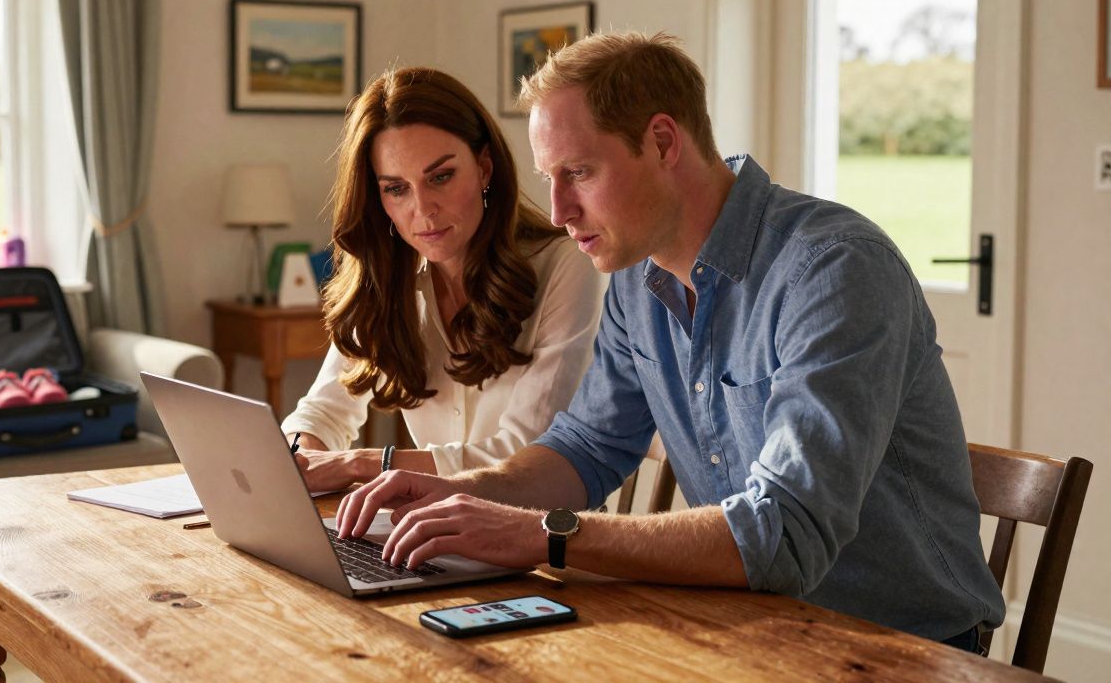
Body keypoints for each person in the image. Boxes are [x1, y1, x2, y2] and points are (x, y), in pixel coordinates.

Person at [335, 32, 1005, 651]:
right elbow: (588, 450)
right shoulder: (638, 276)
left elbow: (786, 535)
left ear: (662, 142)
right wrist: (461, 495)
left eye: (580, 173)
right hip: (745, 624)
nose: (560, 211)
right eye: (550, 179)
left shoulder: (833, 269)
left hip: (900, 648)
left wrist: (541, 534)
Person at [281, 67, 604, 493]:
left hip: (540, 537)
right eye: (396, 188)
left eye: (441, 177)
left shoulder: (566, 265)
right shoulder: (386, 277)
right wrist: (297, 455)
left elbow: (527, 454)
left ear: (485, 167)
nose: (424, 210)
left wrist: (363, 464)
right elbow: (323, 413)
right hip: (428, 531)